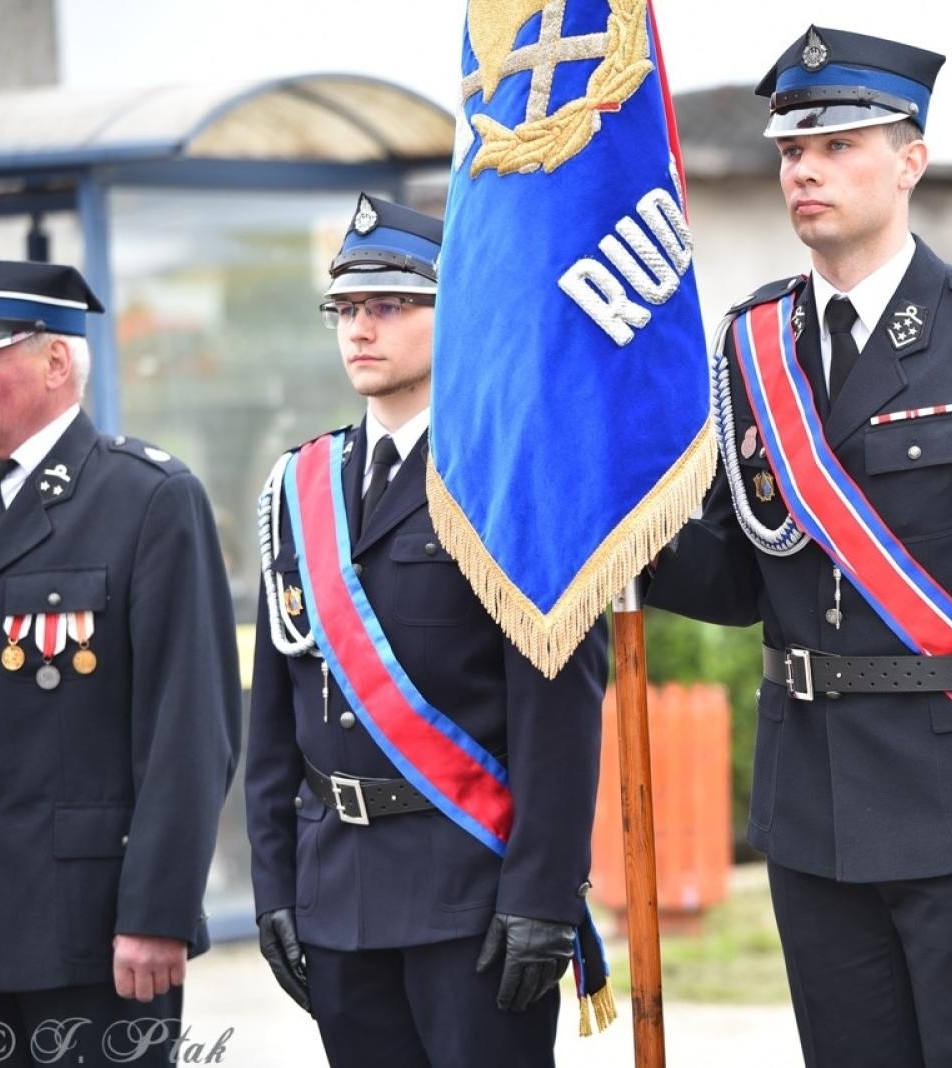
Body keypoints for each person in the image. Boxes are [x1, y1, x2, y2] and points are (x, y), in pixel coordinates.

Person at [648, 26, 952, 1066]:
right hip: (809, 802)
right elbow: (741, 572)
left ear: (911, 161)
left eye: (838, 145)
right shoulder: (752, 344)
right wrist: (618, 533)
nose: (804, 171)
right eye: (791, 151)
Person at [244, 194, 609, 1068]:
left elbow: (559, 710)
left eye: (391, 305)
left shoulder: (509, 479)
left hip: (471, 894)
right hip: (337, 892)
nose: (360, 329)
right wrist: (275, 883)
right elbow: (275, 715)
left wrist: (544, 895)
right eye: (345, 308)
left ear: (459, 314)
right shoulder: (300, 487)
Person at [0, 258, 240, 1066]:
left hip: (86, 929)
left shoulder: (146, 497)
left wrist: (157, 912)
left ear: (56, 360)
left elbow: (188, 728)